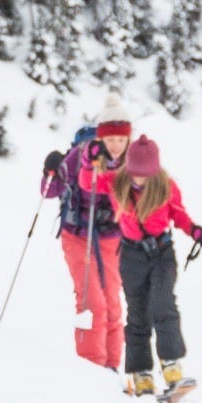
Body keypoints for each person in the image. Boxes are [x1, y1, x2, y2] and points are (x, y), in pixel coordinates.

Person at [79, 134, 202, 399]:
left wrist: (198, 233)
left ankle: (172, 367)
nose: (140, 179)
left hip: (162, 252)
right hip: (131, 256)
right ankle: (141, 375)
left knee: (163, 304)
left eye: (145, 174)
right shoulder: (116, 181)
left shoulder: (166, 186)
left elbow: (180, 215)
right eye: (136, 173)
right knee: (138, 312)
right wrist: (88, 159)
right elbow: (88, 182)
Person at [39, 97, 130, 370]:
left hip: (111, 239)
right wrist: (49, 171)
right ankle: (91, 371)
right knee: (93, 302)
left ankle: (112, 369)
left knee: (113, 305)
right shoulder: (79, 156)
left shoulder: (125, 161)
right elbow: (48, 191)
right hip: (78, 236)